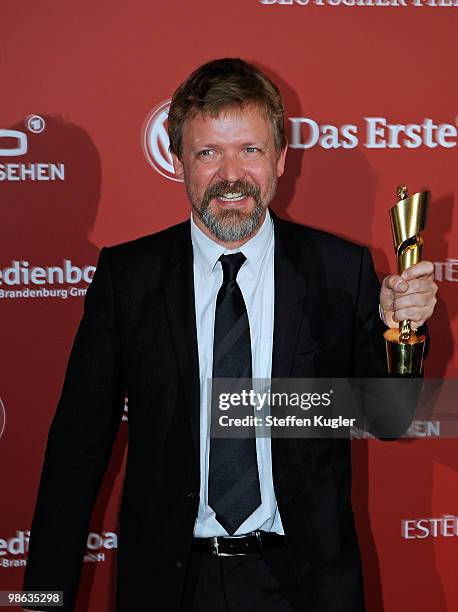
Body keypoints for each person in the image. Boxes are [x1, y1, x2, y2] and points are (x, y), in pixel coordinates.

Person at [23, 58, 437, 612]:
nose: (231, 176)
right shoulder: (130, 277)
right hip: (168, 585)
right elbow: (77, 448)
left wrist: (402, 332)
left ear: (282, 158)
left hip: (306, 585)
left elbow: (388, 421)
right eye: (208, 152)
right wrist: (43, 600)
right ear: (178, 162)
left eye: (249, 150)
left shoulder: (340, 270)